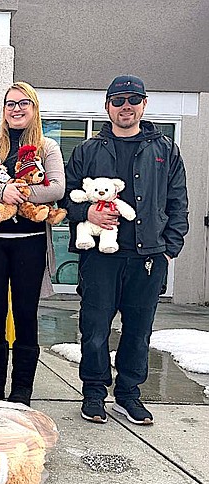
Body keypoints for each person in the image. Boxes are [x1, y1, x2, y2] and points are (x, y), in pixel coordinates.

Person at [62, 75, 188, 425]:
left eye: (134, 99)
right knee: (95, 327)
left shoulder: (164, 149)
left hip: (148, 257)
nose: (126, 106)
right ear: (107, 107)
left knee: (138, 330)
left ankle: (129, 395)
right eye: (118, 101)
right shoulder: (87, 150)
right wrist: (84, 213)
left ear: (144, 105)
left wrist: (169, 248)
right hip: (100, 258)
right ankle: (94, 394)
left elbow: (178, 202)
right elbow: (64, 195)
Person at [0, 82, 66, 406]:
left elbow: (58, 188)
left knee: (24, 315)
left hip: (29, 245)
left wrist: (20, 193)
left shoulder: (47, 147)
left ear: (34, 108)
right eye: (10, 104)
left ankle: (22, 389)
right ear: (4, 110)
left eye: (23, 103)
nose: (16, 109)